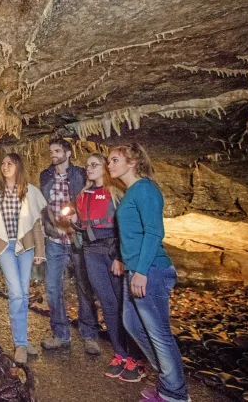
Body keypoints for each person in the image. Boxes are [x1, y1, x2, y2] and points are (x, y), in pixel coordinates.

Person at [108, 143, 190, 402]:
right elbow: (132, 235)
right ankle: (169, 379)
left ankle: (175, 393)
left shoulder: (145, 190)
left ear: (132, 162)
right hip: (136, 269)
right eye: (108, 160)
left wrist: (141, 271)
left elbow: (154, 232)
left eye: (114, 159)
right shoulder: (131, 192)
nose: (109, 164)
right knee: (131, 324)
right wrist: (123, 259)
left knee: (159, 333)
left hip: (151, 270)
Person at [68, 153, 144, 381]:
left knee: (125, 305)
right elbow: (84, 227)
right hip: (92, 253)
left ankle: (136, 357)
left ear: (104, 168)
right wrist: (75, 223)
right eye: (87, 166)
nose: (89, 169)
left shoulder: (117, 193)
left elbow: (125, 227)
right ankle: (120, 354)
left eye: (94, 165)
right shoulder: (83, 195)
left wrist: (121, 256)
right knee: (108, 304)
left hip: (113, 252)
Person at [0, 152, 47, 364]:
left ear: (18, 166)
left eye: (10, 163)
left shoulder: (29, 191)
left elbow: (36, 224)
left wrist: (40, 251)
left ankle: (23, 341)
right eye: (3, 163)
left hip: (25, 246)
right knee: (16, 292)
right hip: (4, 245)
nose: (5, 166)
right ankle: (19, 344)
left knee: (24, 293)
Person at [39, 138, 100, 354]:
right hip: (54, 239)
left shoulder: (80, 175)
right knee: (53, 288)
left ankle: (89, 335)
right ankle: (60, 334)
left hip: (77, 239)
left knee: (84, 286)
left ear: (68, 153)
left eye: (57, 151)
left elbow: (90, 200)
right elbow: (43, 206)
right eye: (51, 151)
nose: (52, 154)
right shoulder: (45, 176)